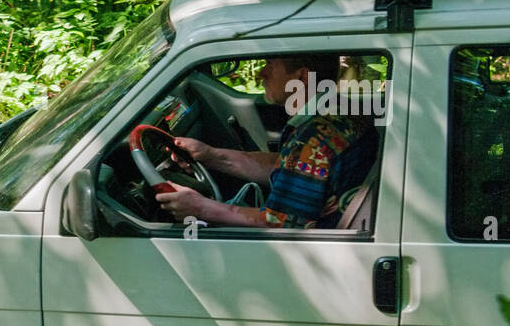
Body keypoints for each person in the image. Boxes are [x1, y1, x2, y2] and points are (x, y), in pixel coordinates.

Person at [156, 55, 379, 229]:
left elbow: (281, 223)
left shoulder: (312, 141)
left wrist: (200, 207)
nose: (261, 73)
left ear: (301, 77)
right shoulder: (340, 114)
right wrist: (210, 155)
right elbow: (287, 166)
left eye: (270, 64)